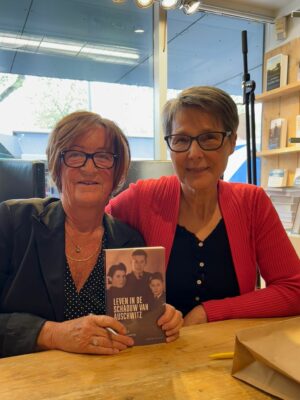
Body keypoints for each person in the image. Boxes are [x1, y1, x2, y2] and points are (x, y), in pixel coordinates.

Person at [107, 86, 300, 326]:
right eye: (181, 140)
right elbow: (86, 229)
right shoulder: (143, 198)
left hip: (227, 353)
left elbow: (294, 289)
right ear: (170, 147)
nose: (194, 153)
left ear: (231, 143)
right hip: (154, 356)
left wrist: (209, 312)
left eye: (209, 137)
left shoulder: (252, 203)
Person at [0, 111, 183, 358]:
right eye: (75, 155)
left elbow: (131, 330)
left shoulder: (128, 243)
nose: (89, 167)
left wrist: (159, 318)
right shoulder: (11, 221)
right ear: (56, 165)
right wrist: (52, 334)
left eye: (103, 157)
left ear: (118, 171)